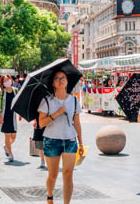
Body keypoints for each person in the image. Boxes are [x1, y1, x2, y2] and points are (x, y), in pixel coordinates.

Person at [38, 70, 85, 204]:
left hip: (70, 140)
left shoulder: (74, 100)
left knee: (68, 174)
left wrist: (81, 143)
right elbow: (41, 123)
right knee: (53, 175)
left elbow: (77, 123)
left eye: (63, 77)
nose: (60, 80)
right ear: (53, 83)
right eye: (57, 78)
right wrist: (57, 113)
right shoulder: (47, 101)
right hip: (51, 140)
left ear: (67, 81)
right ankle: (49, 195)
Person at [0, 75, 18, 162]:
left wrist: (20, 114)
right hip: (5, 115)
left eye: (8, 79)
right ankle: (10, 154)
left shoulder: (15, 90)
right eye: (4, 80)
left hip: (13, 115)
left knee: (14, 136)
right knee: (7, 135)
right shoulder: (1, 91)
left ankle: (6, 146)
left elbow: (18, 102)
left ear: (11, 80)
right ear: (2, 83)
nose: (7, 81)